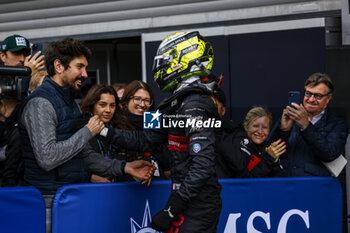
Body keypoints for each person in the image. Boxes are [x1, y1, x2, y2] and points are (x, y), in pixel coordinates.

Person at [101, 31, 222, 232]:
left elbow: (202, 164)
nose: (160, 68)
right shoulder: (175, 103)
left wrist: (171, 209)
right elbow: (145, 139)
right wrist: (103, 132)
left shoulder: (195, 103)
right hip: (186, 200)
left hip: (198, 205)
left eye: (165, 61)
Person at [19, 38, 154, 195]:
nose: (84, 74)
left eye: (85, 68)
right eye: (79, 67)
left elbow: (84, 155)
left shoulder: (69, 101)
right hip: (49, 198)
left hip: (72, 193)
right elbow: (48, 158)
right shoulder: (40, 103)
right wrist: (87, 131)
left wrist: (125, 167)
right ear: (58, 66)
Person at [271, 73, 348, 177]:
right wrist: (284, 130)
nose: (311, 99)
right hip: (286, 184)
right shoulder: (290, 117)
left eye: (318, 96)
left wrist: (306, 126)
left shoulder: (337, 124)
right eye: (308, 93)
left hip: (314, 187)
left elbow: (330, 155)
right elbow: (269, 151)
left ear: (328, 99)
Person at [0, 34, 44, 186]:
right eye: (16, 53)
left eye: (25, 53)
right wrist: (25, 74)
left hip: (26, 171)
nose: (21, 58)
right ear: (2, 55)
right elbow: (8, 118)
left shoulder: (33, 79)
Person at [80, 84, 135, 183]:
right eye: (102, 105)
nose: (108, 110)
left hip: (121, 189)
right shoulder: (82, 130)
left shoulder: (122, 127)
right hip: (92, 192)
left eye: (112, 105)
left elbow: (131, 159)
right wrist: (90, 177)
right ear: (92, 105)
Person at [119, 80, 169, 180]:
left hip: (157, 183)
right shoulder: (118, 123)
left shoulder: (154, 121)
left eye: (147, 100)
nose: (142, 104)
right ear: (126, 101)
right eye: (137, 99)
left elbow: (165, 157)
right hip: (125, 183)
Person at [216, 107, 286, 178]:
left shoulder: (268, 148)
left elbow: (279, 180)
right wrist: (269, 158)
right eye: (255, 126)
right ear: (246, 127)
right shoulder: (237, 142)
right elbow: (245, 180)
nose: (260, 131)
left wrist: (274, 162)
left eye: (264, 127)